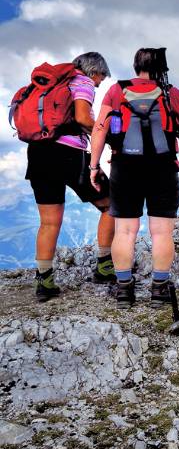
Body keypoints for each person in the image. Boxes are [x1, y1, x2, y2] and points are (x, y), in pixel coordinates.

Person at [90, 48, 179, 308]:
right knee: (162, 232)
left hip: (124, 167)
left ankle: (124, 290)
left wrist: (94, 166)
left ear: (136, 65)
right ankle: (159, 290)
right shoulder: (172, 94)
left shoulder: (117, 91)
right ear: (162, 67)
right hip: (163, 167)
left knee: (125, 230)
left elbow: (100, 128)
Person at [24, 52, 115, 301]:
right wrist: (103, 133)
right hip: (68, 155)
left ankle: (45, 283)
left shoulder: (51, 85)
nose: (98, 84)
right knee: (111, 205)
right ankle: (104, 267)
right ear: (93, 71)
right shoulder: (82, 82)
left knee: (49, 222)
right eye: (100, 78)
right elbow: (83, 117)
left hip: (38, 154)